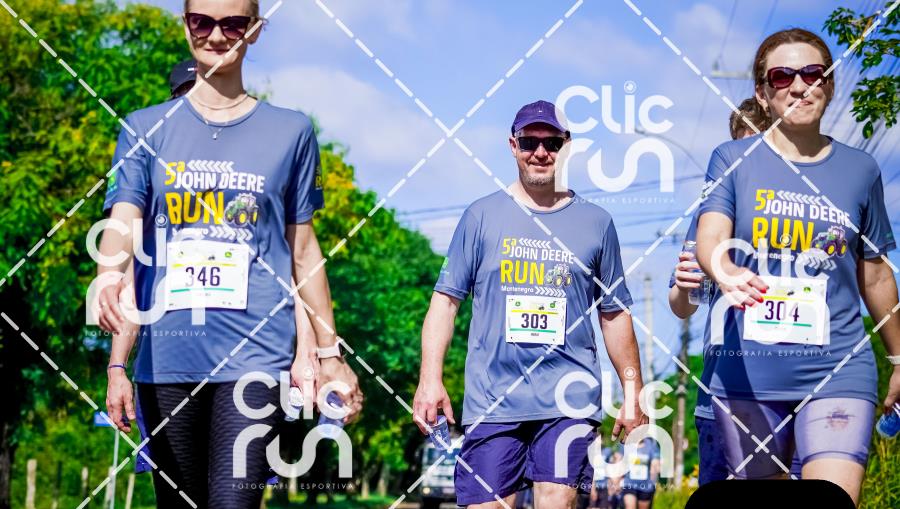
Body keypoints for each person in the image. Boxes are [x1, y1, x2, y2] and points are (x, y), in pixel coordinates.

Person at [95, 1, 363, 507]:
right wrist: (109, 274)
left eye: (233, 23)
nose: (216, 35)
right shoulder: (143, 128)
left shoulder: (291, 131)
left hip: (256, 357)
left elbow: (303, 250)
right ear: (186, 26)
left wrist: (328, 355)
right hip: (168, 358)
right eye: (202, 21)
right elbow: (123, 219)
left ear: (255, 30)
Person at [695, 28, 900, 504]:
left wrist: (899, 358)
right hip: (747, 374)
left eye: (813, 73)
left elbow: (874, 273)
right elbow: (711, 236)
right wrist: (724, 270)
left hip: (839, 367)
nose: (800, 85)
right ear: (762, 93)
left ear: (829, 84)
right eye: (782, 76)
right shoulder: (732, 158)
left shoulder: (861, 170)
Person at [413, 99, 648, 509]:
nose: (540, 152)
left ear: (566, 146)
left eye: (552, 143)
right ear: (513, 145)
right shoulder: (480, 216)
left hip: (568, 398)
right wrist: (429, 379)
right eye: (529, 142)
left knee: (555, 499)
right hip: (492, 400)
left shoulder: (596, 223)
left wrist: (633, 390)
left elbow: (614, 314)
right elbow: (445, 303)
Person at [667, 98, 774, 485]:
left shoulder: (804, 210)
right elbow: (682, 307)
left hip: (793, 389)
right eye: (741, 151)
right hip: (720, 390)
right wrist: (683, 287)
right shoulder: (709, 215)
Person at [620, 437, 659, 509]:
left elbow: (655, 466)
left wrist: (654, 484)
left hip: (646, 486)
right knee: (630, 506)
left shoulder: (651, 445)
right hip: (629, 484)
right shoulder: (626, 444)